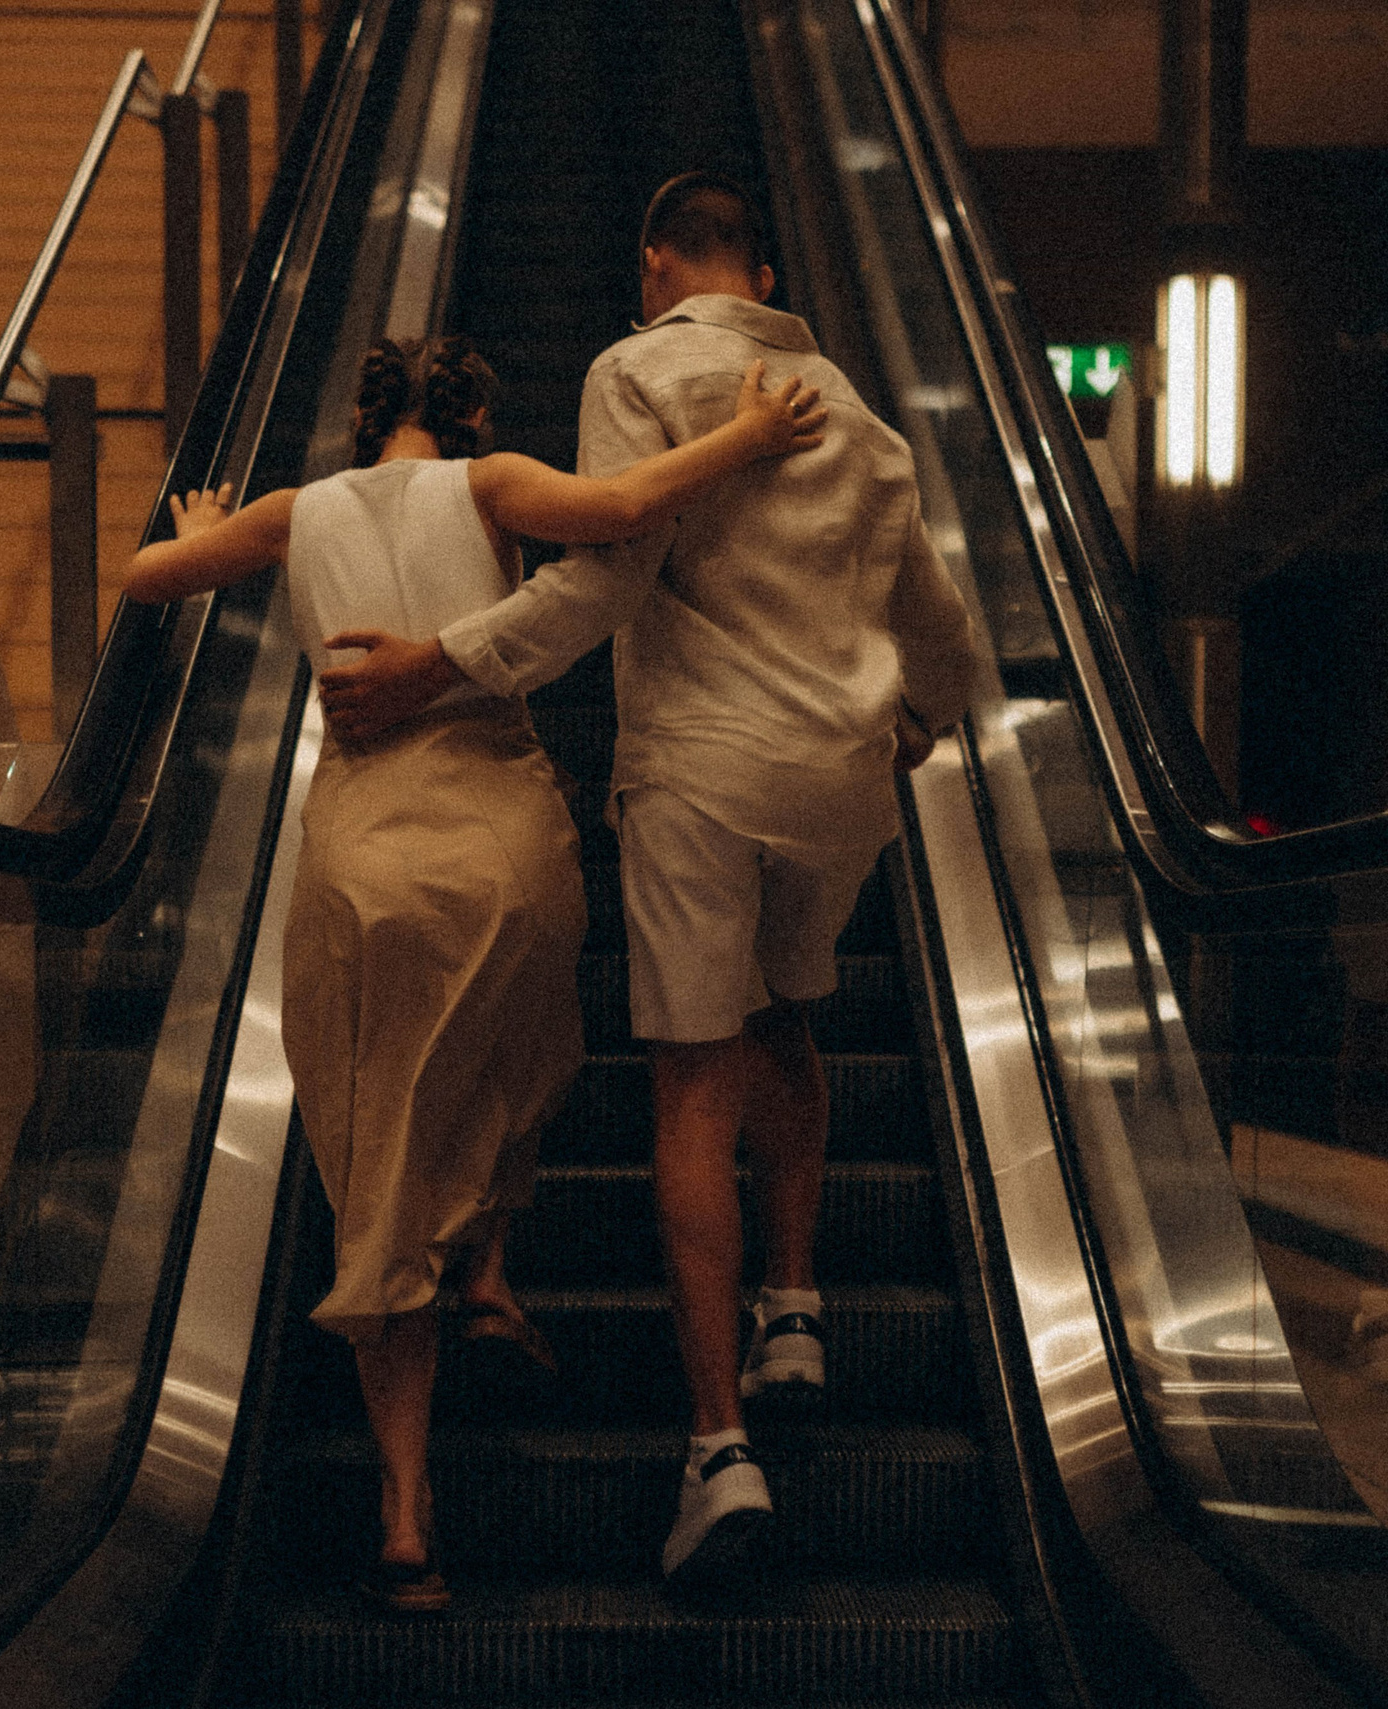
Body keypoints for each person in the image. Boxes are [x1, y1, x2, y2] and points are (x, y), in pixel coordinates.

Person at [310, 172, 978, 1595]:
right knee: (793, 1016)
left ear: (658, 258)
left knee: (693, 1077)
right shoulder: (855, 413)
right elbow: (947, 633)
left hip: (701, 770)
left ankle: (717, 1448)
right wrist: (914, 726)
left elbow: (610, 578)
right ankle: (793, 1303)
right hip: (838, 777)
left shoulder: (639, 368)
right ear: (771, 266)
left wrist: (441, 662)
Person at [123, 332, 825, 1613]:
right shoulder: (491, 482)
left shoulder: (297, 510)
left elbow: (144, 578)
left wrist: (206, 524)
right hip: (497, 836)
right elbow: (618, 509)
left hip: (360, 856)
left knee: (380, 1149)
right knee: (519, 1049)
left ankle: (404, 1512)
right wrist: (748, 436)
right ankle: (492, 1267)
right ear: (471, 409)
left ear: (358, 416)